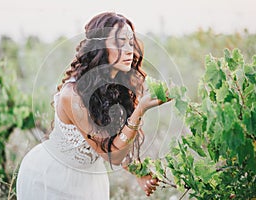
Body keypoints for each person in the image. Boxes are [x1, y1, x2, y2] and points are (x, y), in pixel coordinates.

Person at [16, 12, 169, 199]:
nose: (129, 50)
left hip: (88, 181)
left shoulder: (114, 86)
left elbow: (113, 139)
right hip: (49, 177)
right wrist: (140, 110)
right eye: (120, 42)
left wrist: (138, 171)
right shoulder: (72, 95)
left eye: (130, 42)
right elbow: (110, 153)